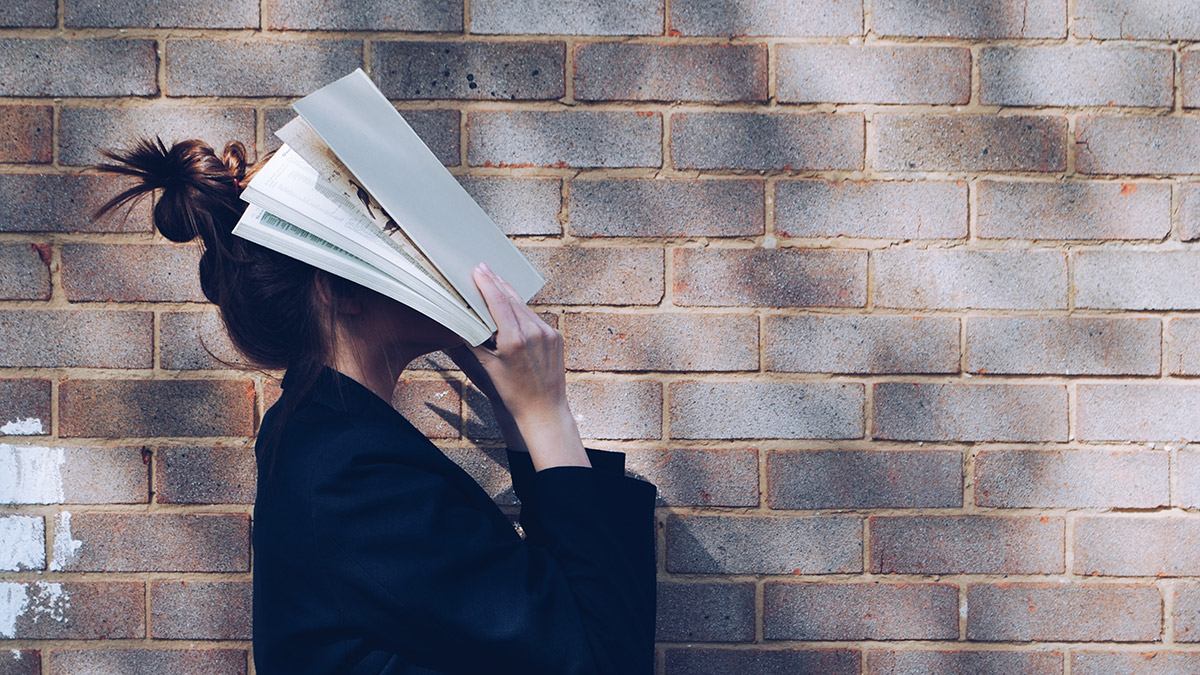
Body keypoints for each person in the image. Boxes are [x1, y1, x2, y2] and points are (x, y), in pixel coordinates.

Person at [93, 137, 658, 674]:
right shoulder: (350, 477)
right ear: (338, 289)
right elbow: (603, 656)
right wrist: (546, 413)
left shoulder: (329, 442)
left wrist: (516, 412)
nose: (433, 254)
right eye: (397, 236)